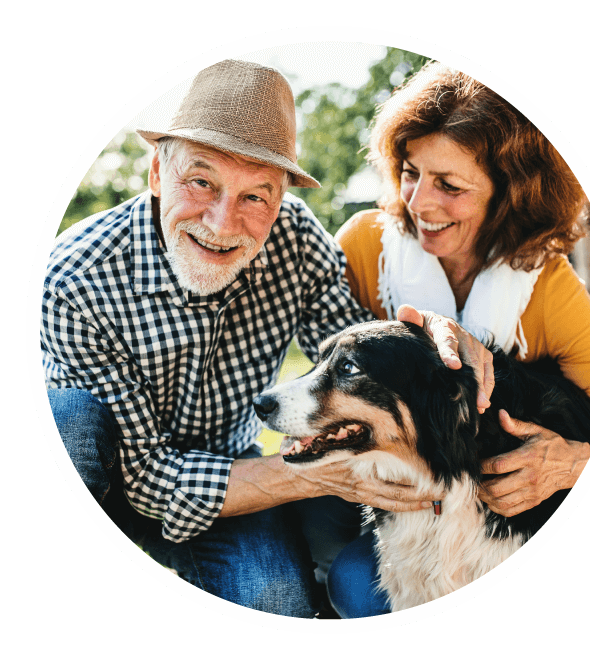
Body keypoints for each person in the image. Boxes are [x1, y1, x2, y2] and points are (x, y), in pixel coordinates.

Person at [41, 59, 493, 619]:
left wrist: (438, 342)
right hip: (109, 482)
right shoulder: (76, 278)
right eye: (201, 180)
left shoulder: (296, 239)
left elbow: (357, 360)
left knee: (276, 602)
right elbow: (147, 481)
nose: (224, 221)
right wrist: (316, 475)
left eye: (257, 195)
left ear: (281, 199)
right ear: (157, 173)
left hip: (233, 472)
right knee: (66, 416)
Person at [328, 61, 590, 617]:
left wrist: (573, 463)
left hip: (503, 529)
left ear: (509, 193)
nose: (418, 204)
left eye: (450, 186)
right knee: (355, 585)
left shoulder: (551, 290)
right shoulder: (365, 245)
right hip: (391, 510)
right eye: (410, 172)